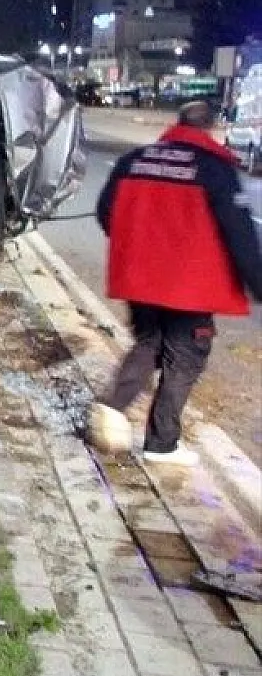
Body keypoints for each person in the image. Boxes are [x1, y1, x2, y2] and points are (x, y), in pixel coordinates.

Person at [85, 101, 262, 464]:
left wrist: (135, 249)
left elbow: (107, 212)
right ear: (212, 129)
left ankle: (110, 408)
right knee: (185, 357)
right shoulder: (215, 169)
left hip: (140, 278)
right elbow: (239, 233)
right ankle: (162, 444)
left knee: (149, 343)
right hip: (188, 285)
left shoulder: (135, 160)